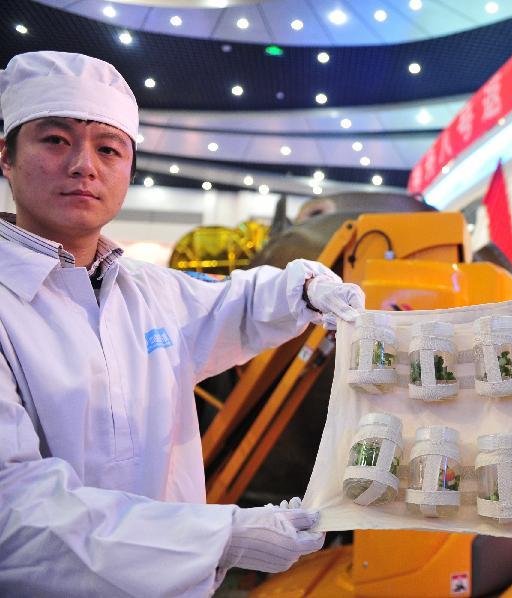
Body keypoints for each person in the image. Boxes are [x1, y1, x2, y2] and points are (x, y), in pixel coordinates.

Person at [0, 51, 365, 595]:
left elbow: (230, 306)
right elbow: (16, 513)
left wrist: (306, 291)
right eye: (54, 140)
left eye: (108, 148)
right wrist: (221, 536)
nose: (84, 165)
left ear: (128, 169)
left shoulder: (146, 289)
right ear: (5, 156)